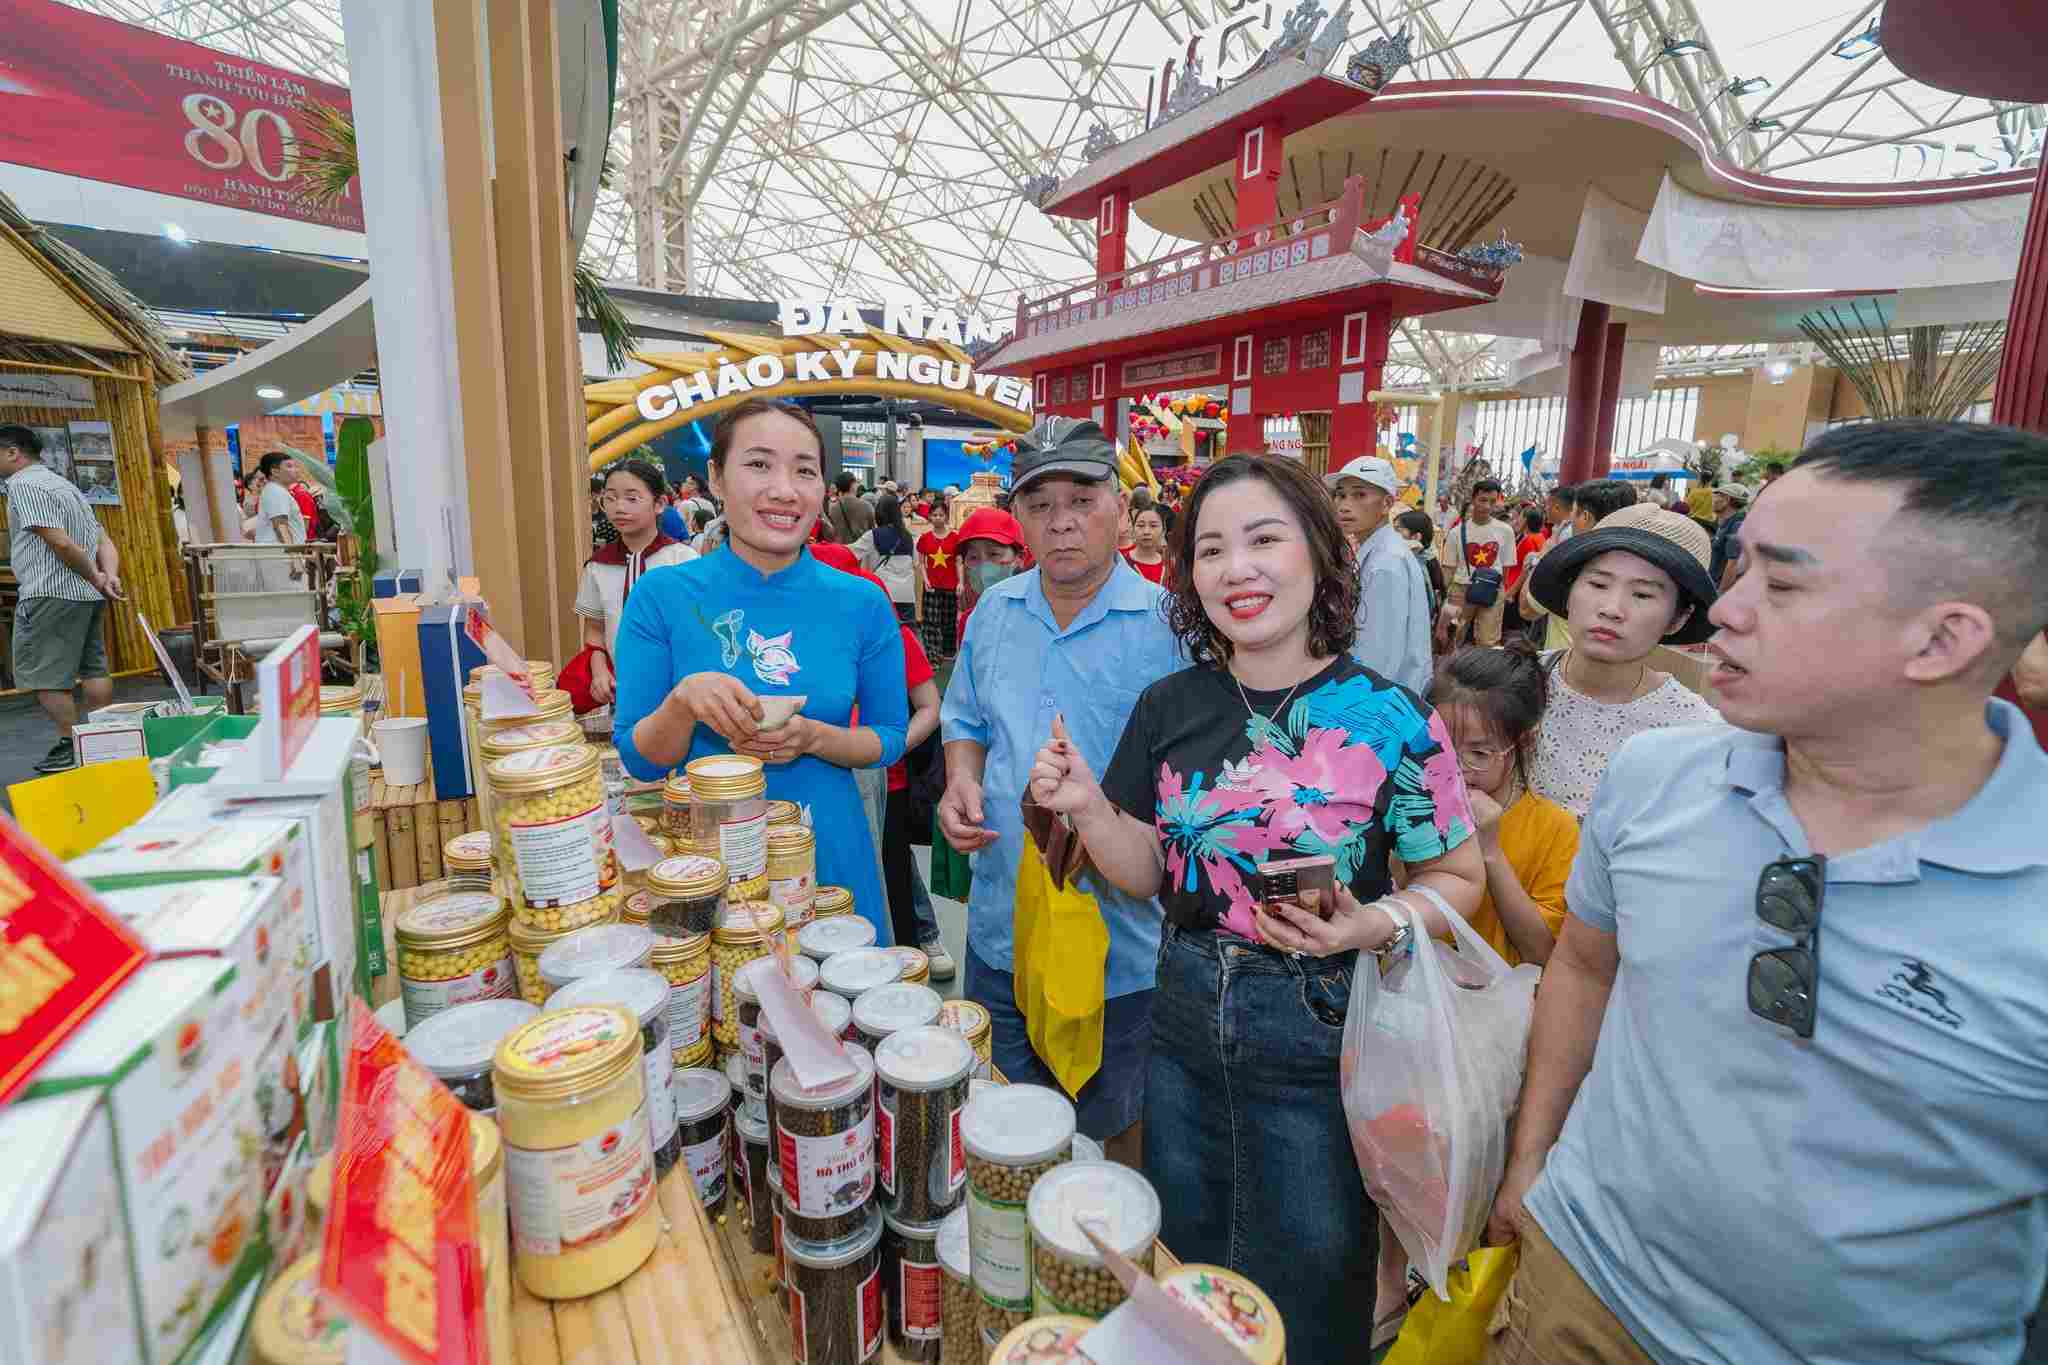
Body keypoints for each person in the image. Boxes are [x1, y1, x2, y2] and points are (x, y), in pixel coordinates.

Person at [1484, 419, 2048, 1365]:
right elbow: (1583, 966)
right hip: (1578, 1292)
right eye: (1740, 572)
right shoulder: (1653, 778)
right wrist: (1532, 1159)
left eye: (1781, 585)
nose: (1728, 613)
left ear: (1944, 637)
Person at [1026, 453, 1484, 1362]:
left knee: (1313, 1281)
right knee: (1191, 1269)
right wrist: (1084, 803)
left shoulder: (1391, 717)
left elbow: (1459, 879)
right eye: (1211, 549)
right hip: (1186, 1017)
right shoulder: (1172, 703)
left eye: (1264, 539)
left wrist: (1370, 923)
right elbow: (1150, 869)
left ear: (1320, 553)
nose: (1237, 568)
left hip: (1322, 1032)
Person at [937, 417, 1181, 1157]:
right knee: (1003, 1124)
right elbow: (966, 717)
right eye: (1041, 505)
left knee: (1119, 1131)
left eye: (1081, 498)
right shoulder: (993, 616)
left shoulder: (1169, 627)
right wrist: (960, 781)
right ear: (1020, 520)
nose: (1062, 522)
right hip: (1004, 925)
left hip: (1120, 944)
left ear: (1120, 505)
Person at [613, 398, 908, 942]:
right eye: (758, 465)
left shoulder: (862, 601)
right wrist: (682, 702)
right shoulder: (662, 597)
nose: (784, 489)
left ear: (823, 488)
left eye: (804, 470)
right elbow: (640, 759)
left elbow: (888, 737)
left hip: (830, 855)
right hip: (710, 868)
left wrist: (815, 737)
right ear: (716, 479)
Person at [1522, 503, 1723, 819]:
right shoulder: (1507, 682)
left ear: (1679, 618)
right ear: (1570, 591)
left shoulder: (1696, 734)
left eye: (1642, 594)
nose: (1612, 609)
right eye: (1598, 584)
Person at [1429, 641, 1577, 965]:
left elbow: (1542, 952)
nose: (1455, 768)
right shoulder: (1416, 804)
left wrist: (1490, 851)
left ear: (1523, 743)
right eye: (1440, 747)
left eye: (1479, 754)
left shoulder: (1555, 829)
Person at [1, 424, 121, 773]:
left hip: (49, 594)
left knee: (45, 677)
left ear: (13, 453)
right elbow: (104, 542)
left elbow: (62, 543)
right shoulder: (66, 486)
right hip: (85, 595)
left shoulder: (24, 485)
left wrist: (94, 575)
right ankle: (98, 741)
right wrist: (107, 576)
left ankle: (72, 746)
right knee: (93, 668)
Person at [575, 458, 697, 707]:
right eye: (610, 498)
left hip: (677, 692)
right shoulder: (598, 566)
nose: (619, 507)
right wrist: (599, 671)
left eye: (632, 498)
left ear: (660, 503)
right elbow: (595, 630)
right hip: (620, 692)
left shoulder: (684, 561)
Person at [1327, 455, 1431, 693]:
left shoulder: (1386, 563)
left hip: (1376, 700)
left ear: (1386, 504)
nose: (1344, 505)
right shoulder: (1377, 552)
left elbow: (1378, 655)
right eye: (1341, 495)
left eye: (1359, 495)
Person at [1518, 479, 1636, 651]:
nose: (1569, 522)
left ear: (1585, 517)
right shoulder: (1641, 565)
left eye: (1572, 514)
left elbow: (1526, 609)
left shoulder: (1567, 564)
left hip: (1569, 666)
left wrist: (1544, 555)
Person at [1438, 477, 1517, 647]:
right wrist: (1443, 595)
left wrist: (1501, 593)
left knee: (1488, 641)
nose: (1487, 506)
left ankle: (1483, 672)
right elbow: (1448, 570)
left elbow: (1506, 567)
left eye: (1492, 501)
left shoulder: (1505, 531)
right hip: (1461, 589)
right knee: (1454, 637)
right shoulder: (1456, 533)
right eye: (1482, 500)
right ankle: (1450, 670)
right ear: (1473, 499)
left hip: (1492, 589)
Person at [950, 505, 1025, 644]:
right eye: (973, 557)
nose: (984, 568)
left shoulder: (1038, 619)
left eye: (994, 554)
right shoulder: (969, 621)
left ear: (1019, 558)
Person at [848, 491, 918, 623]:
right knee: (906, 638)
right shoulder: (908, 536)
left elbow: (850, 552)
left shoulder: (874, 534)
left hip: (883, 593)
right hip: (907, 595)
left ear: (879, 513)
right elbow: (915, 563)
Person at [915, 498, 960, 659]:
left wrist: (961, 582)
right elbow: (921, 562)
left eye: (941, 515)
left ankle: (948, 652)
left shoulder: (956, 537)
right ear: (930, 517)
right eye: (934, 515)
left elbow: (958, 561)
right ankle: (933, 655)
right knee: (930, 622)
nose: (938, 518)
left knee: (949, 621)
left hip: (951, 585)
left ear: (946, 516)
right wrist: (925, 580)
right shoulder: (924, 538)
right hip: (932, 585)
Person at [1710, 479, 1751, 589]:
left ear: (1727, 499)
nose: (1713, 500)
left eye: (1717, 495)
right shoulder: (1727, 522)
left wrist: (1720, 594)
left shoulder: (1737, 525)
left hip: (1718, 587)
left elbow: (1733, 564)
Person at [1122, 502, 1170, 585]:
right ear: (1133, 529)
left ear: (1163, 531)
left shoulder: (1169, 566)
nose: (1146, 531)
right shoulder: (1122, 564)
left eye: (1153, 526)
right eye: (1140, 525)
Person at [825, 470, 874, 543]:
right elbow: (872, 531)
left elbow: (832, 533)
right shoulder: (866, 506)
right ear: (852, 485)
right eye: (856, 483)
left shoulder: (833, 508)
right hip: (861, 550)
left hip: (841, 550)